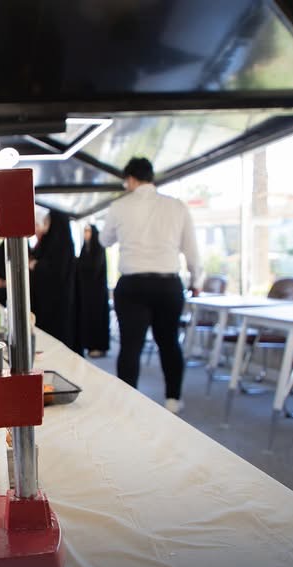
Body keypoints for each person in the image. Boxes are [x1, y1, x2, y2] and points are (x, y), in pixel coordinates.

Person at [99, 157, 201, 414]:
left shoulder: (119, 206)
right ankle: (173, 399)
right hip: (168, 285)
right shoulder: (176, 206)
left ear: (131, 179)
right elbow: (191, 249)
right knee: (169, 342)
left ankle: (129, 402)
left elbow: (104, 240)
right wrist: (196, 281)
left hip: (132, 285)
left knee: (130, 345)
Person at [29, 207, 80, 352]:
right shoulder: (49, 241)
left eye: (48, 222)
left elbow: (56, 270)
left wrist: (36, 265)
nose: (45, 226)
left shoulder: (62, 245)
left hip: (58, 302)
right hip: (46, 301)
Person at [77, 223, 110, 357]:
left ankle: (99, 346)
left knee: (97, 318)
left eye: (88, 231)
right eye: (85, 231)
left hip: (98, 292)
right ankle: (89, 345)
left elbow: (94, 267)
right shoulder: (85, 248)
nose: (86, 234)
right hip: (87, 291)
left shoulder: (99, 247)